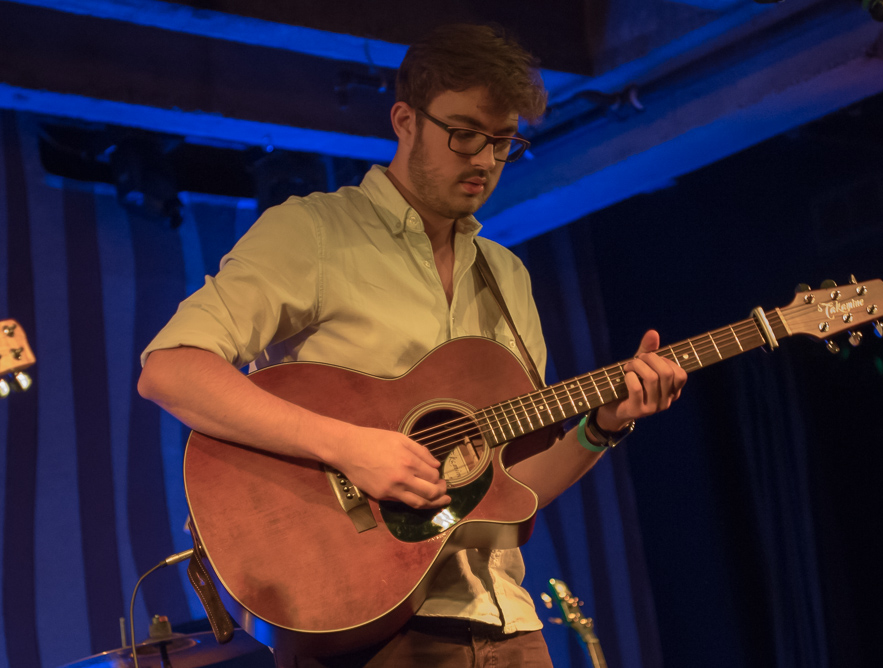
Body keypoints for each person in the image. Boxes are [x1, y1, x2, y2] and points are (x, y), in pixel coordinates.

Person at [137, 23, 687, 668]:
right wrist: (352, 448)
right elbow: (171, 371)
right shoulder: (313, 232)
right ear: (405, 120)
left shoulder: (508, 277)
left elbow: (509, 488)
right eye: (464, 135)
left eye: (503, 141)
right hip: (362, 623)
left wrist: (602, 427)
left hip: (507, 624)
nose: (484, 160)